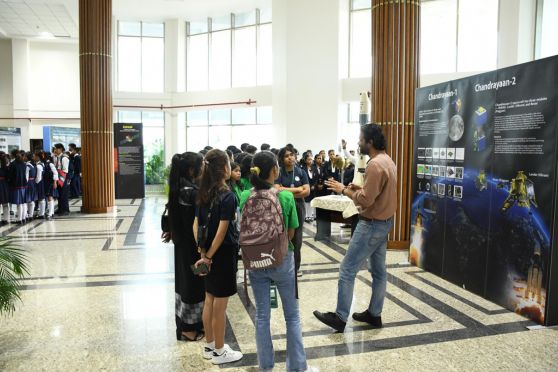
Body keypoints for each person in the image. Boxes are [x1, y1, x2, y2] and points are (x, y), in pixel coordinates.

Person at [313, 123, 397, 332]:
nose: (358, 143)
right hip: (385, 222)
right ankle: (374, 314)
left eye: (360, 139)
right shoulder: (387, 160)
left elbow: (366, 201)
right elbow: (376, 192)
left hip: (370, 225)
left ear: (370, 141)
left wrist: (344, 190)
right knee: (378, 271)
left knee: (347, 269)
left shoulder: (375, 165)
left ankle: (340, 317)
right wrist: (360, 188)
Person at [239, 151, 315, 372]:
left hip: (255, 262)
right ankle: (297, 368)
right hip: (282, 260)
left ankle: (266, 367)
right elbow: (291, 233)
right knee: (292, 315)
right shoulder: (286, 197)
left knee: (262, 315)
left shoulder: (245, 196)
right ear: (274, 170)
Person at [193, 149, 243, 365]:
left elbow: (196, 224)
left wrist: (202, 252)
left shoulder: (203, 193)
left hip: (207, 252)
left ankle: (210, 345)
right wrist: (210, 257)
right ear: (225, 168)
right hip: (221, 256)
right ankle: (221, 351)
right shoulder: (228, 196)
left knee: (209, 299)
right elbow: (223, 231)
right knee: (220, 305)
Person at [164, 152, 206, 342]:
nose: (204, 168)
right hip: (193, 247)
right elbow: (196, 223)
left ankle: (185, 324)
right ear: (192, 169)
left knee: (185, 284)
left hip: (182, 245)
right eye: (201, 165)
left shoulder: (178, 186)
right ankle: (189, 329)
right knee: (194, 285)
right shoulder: (191, 192)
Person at [275, 147, 310, 277]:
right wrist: (297, 189)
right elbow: (276, 189)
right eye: (286, 156)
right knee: (282, 235)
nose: (290, 158)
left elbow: (307, 191)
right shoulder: (278, 173)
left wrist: (286, 191)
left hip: (298, 207)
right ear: (282, 159)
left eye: (292, 155)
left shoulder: (301, 172)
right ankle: (281, 264)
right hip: (283, 207)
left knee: (297, 237)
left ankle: (295, 267)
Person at [8, 151, 28, 224]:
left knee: (19, 203)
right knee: (23, 202)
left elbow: (10, 175)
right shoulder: (24, 164)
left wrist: (10, 182)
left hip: (16, 186)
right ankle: (23, 218)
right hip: (24, 185)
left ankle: (19, 219)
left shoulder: (13, 164)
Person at [53, 143, 70, 216]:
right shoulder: (56, 157)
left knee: (63, 194)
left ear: (60, 149)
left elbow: (65, 170)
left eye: (56, 148)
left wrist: (57, 172)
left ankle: (64, 210)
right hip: (58, 177)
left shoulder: (64, 158)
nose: (55, 150)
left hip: (63, 178)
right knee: (59, 194)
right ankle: (60, 208)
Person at [300, 152, 318, 222]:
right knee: (306, 202)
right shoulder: (303, 169)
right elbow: (303, 179)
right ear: (305, 160)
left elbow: (316, 178)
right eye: (308, 159)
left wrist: (314, 185)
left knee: (311, 202)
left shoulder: (314, 168)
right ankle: (306, 216)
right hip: (306, 188)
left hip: (313, 188)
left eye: (311, 159)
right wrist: (309, 186)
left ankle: (310, 216)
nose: (310, 161)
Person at [41, 151, 59, 220]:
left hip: (50, 182)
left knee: (50, 197)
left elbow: (55, 173)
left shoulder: (50, 164)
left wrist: (55, 182)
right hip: (45, 182)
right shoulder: (44, 163)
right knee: (48, 197)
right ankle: (51, 212)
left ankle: (50, 213)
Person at [24, 152, 37, 220]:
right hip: (33, 183)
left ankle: (26, 215)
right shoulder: (33, 165)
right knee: (32, 200)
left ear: (26, 157)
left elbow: (26, 177)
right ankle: (31, 215)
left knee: (26, 199)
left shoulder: (27, 166)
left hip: (28, 183)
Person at [33, 152, 46, 219]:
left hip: (39, 183)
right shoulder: (40, 164)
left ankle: (41, 213)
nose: (33, 157)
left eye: (34, 156)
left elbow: (38, 177)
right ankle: (41, 213)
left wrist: (35, 183)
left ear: (38, 157)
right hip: (40, 183)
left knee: (41, 198)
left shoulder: (39, 166)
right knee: (41, 198)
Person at [0, 152, 10, 225]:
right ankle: (6, 219)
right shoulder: (6, 167)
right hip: (4, 185)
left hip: (3, 184)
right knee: (5, 203)